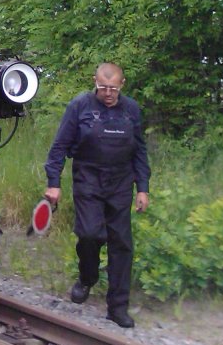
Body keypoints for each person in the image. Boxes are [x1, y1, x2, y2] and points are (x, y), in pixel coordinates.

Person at [43, 62, 151, 328]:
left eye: (113, 88)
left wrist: (143, 188)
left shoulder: (131, 109)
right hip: (88, 179)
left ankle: (117, 307)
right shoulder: (79, 106)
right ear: (95, 82)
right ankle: (87, 277)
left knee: (121, 244)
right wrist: (54, 183)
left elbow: (140, 151)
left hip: (121, 182)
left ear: (122, 85)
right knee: (90, 234)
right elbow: (59, 146)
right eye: (103, 88)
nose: (108, 93)